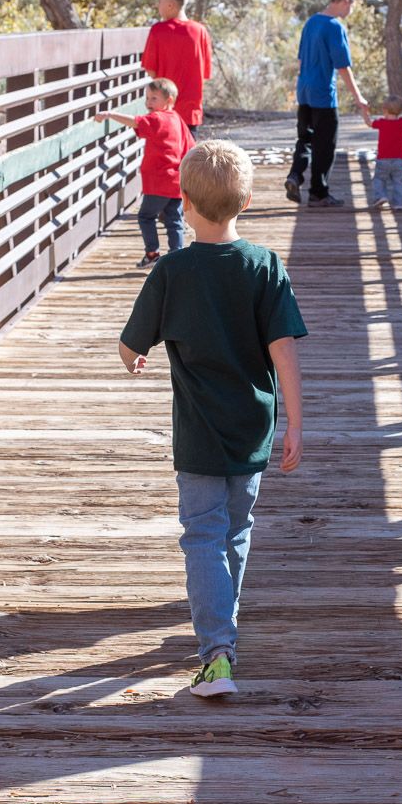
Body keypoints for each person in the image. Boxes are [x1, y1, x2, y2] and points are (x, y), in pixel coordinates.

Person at [119, 140, 307, 696]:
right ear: (246, 202)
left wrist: (137, 359)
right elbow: (284, 354)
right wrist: (295, 423)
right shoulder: (265, 266)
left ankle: (217, 651)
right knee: (237, 527)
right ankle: (224, 625)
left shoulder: (171, 272)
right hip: (253, 429)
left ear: (183, 202)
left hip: (198, 434)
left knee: (202, 533)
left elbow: (130, 347)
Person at [286, 0, 370, 210]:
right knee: (325, 145)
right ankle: (318, 193)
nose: (351, 9)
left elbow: (301, 61)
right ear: (344, 1)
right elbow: (343, 67)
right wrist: (358, 97)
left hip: (304, 91)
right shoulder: (334, 27)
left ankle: (295, 175)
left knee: (305, 139)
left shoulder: (311, 22)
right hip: (324, 94)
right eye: (351, 4)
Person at [96, 78, 193, 267]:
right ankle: (177, 257)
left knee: (146, 216)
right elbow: (190, 146)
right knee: (174, 220)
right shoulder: (178, 120)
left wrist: (109, 114)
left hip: (158, 182)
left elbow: (135, 122)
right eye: (147, 98)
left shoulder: (157, 118)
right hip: (176, 181)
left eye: (154, 98)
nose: (148, 103)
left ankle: (152, 253)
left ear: (169, 100)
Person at [142, 0, 214, 129]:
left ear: (170, 5)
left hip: (164, 111)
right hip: (190, 112)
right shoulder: (200, 31)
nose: (158, 6)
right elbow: (205, 74)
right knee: (189, 151)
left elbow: (151, 70)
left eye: (160, 1)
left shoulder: (158, 30)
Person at [369, 97, 402, 209]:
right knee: (398, 181)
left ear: (384, 110)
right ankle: (398, 203)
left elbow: (369, 123)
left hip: (383, 159)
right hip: (399, 160)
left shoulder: (381, 123)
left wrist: (364, 112)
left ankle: (380, 196)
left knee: (379, 179)